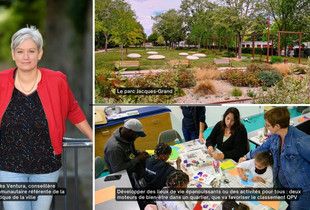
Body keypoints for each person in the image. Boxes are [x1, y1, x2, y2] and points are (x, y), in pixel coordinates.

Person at [0, 26, 93, 210]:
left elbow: (72, 109)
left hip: (46, 167)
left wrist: (92, 136)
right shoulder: (1, 81)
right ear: (13, 54)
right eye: (20, 51)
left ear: (40, 54)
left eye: (31, 51)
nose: (25, 57)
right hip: (8, 166)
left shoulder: (56, 80)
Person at [240, 107, 310, 210]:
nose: (266, 127)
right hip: (282, 185)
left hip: (300, 189)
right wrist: (246, 157)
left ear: (277, 126)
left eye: (268, 125)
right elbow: (262, 148)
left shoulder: (301, 141)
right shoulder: (274, 136)